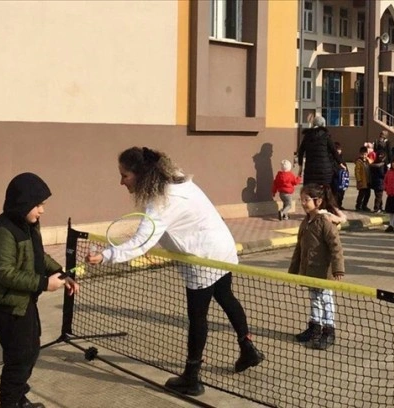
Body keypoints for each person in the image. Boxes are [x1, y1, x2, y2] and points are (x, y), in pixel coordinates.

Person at [86, 147, 264, 396]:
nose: (121, 181)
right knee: (226, 297)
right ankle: (248, 349)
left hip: (202, 258)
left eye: (124, 175)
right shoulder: (177, 180)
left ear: (141, 174)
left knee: (198, 318)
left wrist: (106, 255)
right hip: (222, 250)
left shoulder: (160, 203)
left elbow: (141, 242)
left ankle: (191, 377)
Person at [0, 172, 79, 408]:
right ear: (22, 202)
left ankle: (18, 399)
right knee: (18, 359)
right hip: (6, 307)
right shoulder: (2, 231)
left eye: (42, 204)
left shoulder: (28, 224)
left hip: (24, 303)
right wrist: (44, 283)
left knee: (30, 351)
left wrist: (63, 274)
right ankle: (10, 404)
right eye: (38, 204)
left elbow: (37, 256)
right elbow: (5, 272)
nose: (42, 210)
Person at [289, 183, 346, 350]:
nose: (303, 203)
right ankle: (315, 327)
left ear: (318, 201)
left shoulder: (325, 222)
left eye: (306, 199)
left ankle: (329, 330)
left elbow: (336, 246)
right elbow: (299, 248)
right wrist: (294, 269)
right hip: (310, 271)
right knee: (314, 299)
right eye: (301, 200)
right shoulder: (306, 221)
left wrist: (338, 268)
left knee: (325, 299)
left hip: (323, 272)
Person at [297, 115, 344, 186]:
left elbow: (301, 151)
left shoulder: (307, 136)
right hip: (325, 171)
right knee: (324, 193)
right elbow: (333, 150)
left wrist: (300, 167)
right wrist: (340, 163)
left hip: (310, 171)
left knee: (310, 192)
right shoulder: (326, 135)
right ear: (323, 124)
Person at [354, 145, 372, 212]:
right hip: (362, 181)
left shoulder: (367, 161)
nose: (364, 156)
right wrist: (359, 180)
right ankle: (358, 206)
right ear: (360, 154)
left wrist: (368, 159)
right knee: (361, 194)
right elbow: (357, 172)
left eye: (365, 154)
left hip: (368, 181)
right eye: (362, 154)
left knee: (368, 194)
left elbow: (372, 163)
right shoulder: (359, 162)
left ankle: (364, 206)